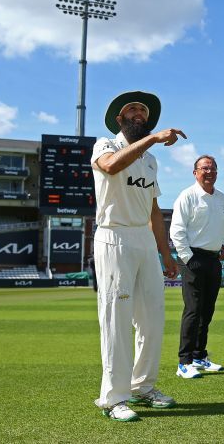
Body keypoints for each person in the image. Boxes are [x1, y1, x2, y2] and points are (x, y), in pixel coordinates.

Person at [91, 90, 185, 422]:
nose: (138, 115)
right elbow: (112, 166)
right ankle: (113, 398)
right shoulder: (105, 144)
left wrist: (165, 253)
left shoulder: (150, 160)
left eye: (143, 112)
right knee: (116, 319)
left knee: (152, 318)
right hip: (113, 235)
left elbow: (154, 210)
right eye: (132, 110)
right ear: (120, 118)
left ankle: (143, 386)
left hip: (144, 241)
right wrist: (153, 139)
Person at [170, 155, 224, 379]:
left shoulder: (221, 198)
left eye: (213, 168)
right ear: (195, 172)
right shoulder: (187, 196)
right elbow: (177, 230)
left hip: (214, 259)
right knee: (193, 310)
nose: (209, 172)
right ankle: (184, 362)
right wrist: (188, 258)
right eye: (204, 168)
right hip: (193, 258)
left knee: (207, 311)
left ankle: (199, 356)